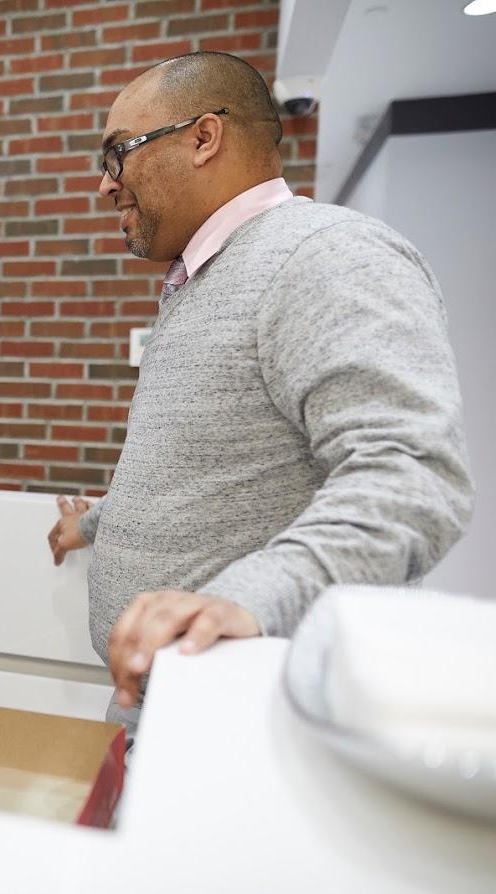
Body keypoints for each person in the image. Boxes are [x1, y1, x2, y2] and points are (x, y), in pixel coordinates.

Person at [47, 52, 473, 735]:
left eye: (117, 153)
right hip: (171, 706)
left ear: (203, 137)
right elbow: (214, 467)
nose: (105, 185)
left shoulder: (325, 255)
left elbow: (412, 476)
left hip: (255, 717)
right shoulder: (208, 278)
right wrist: (95, 522)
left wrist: (243, 598)